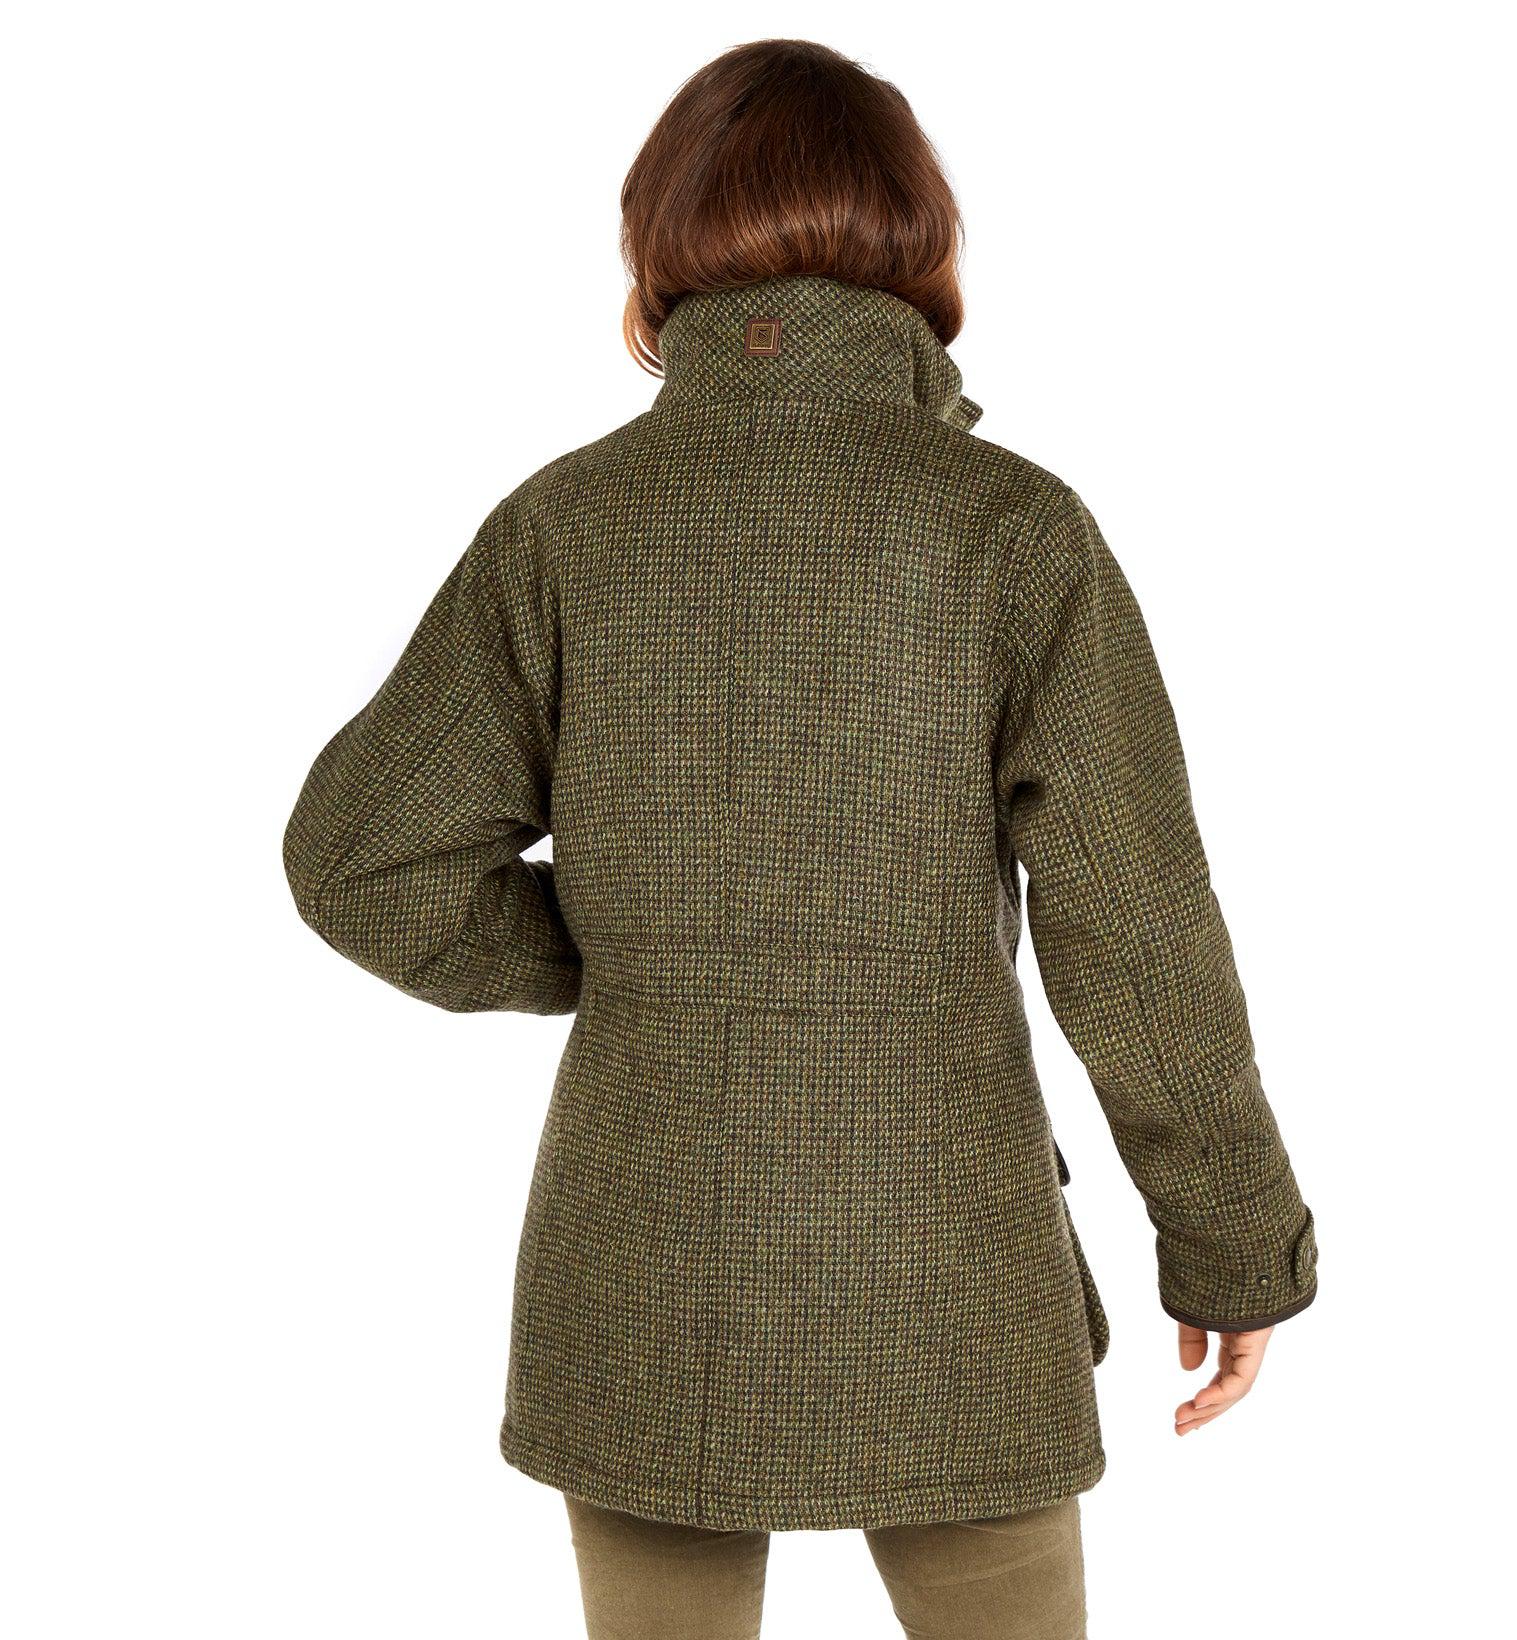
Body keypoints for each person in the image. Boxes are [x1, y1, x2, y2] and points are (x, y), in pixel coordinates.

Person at [283, 36, 1318, 1640]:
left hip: (644, 1263)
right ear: (919, 240)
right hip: (951, 1262)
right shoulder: (1011, 528)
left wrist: (620, 951)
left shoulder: (564, 526)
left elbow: (364, 859)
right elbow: (1137, 930)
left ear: (659, 247)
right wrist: (1234, 1243)